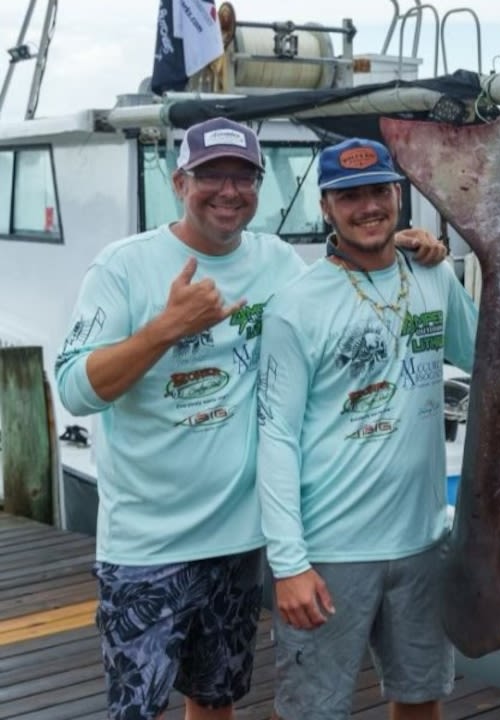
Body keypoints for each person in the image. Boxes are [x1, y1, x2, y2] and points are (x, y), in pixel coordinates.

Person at [53, 117, 446, 720]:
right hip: (147, 545)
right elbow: (76, 390)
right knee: (136, 709)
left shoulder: (278, 263)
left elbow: (343, 281)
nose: (228, 190)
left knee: (215, 703)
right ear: (180, 180)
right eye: (211, 176)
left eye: (243, 176)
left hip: (238, 542)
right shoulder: (124, 266)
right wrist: (165, 330)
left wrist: (412, 250)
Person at [256, 137, 478, 720]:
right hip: (330, 551)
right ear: (326, 207)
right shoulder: (294, 306)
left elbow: (485, 356)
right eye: (349, 196)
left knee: (421, 697)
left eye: (378, 191)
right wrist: (289, 563)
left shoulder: (433, 278)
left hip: (424, 542)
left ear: (398, 195)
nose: (367, 207)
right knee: (311, 710)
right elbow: (275, 438)